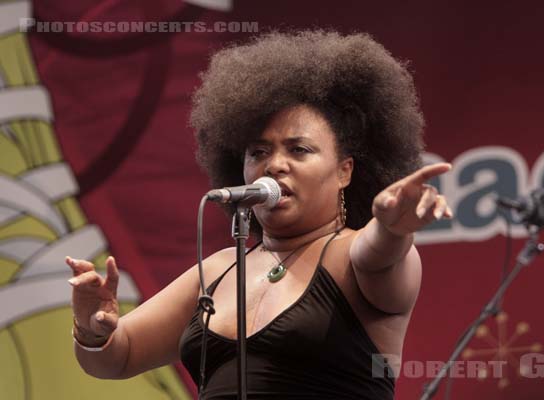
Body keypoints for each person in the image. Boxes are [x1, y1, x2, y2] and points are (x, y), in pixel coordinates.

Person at [66, 30, 453, 399]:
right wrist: (92, 329)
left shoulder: (352, 254)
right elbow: (120, 356)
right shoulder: (218, 271)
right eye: (259, 152)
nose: (274, 165)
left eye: (298, 149)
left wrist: (390, 229)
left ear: (344, 171)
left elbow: (380, 256)